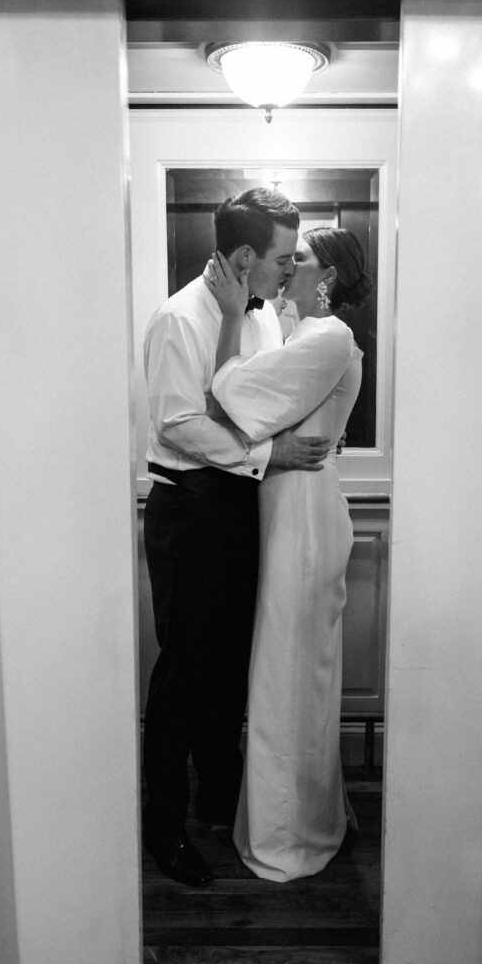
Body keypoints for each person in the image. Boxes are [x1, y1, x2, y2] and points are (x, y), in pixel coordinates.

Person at [142, 189, 332, 888]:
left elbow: (254, 402)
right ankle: (162, 830)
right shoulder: (176, 317)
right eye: (283, 258)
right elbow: (177, 423)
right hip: (189, 509)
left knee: (228, 667)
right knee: (183, 676)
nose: (288, 271)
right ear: (247, 255)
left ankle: (219, 804)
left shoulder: (257, 318)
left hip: (239, 505)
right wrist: (268, 458)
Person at [209, 227, 373, 881]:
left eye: (298, 259)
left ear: (327, 276)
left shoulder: (328, 338)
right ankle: (309, 812)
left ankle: (294, 834)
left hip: (303, 522)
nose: (287, 267)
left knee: (289, 681)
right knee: (287, 676)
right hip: (285, 513)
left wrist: (226, 318)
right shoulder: (296, 333)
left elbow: (224, 396)